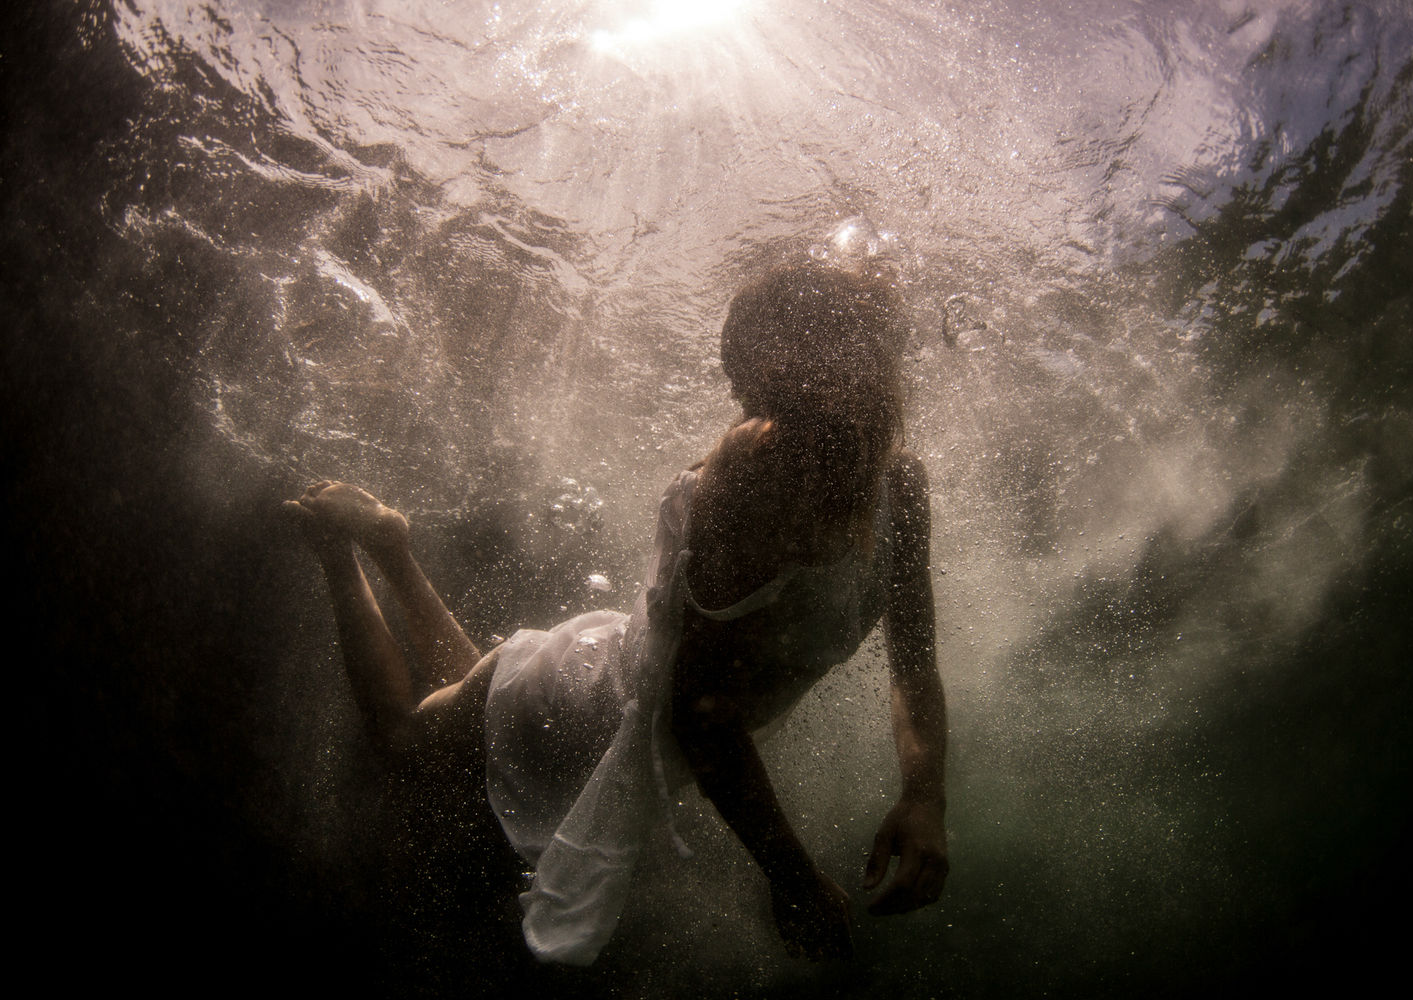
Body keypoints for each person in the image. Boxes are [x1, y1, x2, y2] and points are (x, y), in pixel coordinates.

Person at [284, 261, 948, 965]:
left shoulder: (899, 484)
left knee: (479, 698)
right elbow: (703, 713)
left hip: (604, 681)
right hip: (592, 712)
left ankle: (392, 549)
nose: (740, 398)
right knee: (405, 739)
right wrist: (791, 876)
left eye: (745, 377)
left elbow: (914, 659)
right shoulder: (754, 481)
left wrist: (925, 795)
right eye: (742, 383)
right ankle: (339, 549)